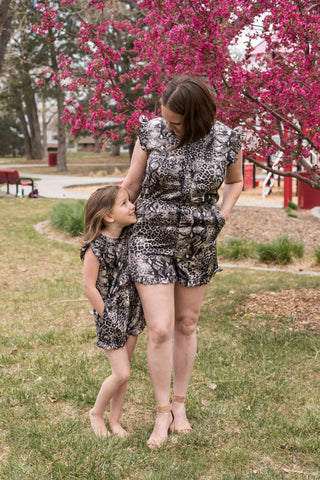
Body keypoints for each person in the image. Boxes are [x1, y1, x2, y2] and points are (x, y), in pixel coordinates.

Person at [122, 75, 243, 448]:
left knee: (187, 324)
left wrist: (222, 213)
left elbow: (235, 181)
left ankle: (180, 405)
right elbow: (131, 184)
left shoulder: (227, 139)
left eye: (176, 122)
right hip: (151, 237)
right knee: (160, 328)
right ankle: (160, 412)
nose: (169, 127)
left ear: (197, 117)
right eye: (166, 119)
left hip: (198, 240)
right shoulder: (151, 132)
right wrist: (109, 220)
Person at [80, 185, 145, 438]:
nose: (132, 206)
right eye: (124, 203)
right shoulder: (95, 247)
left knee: (124, 375)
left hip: (132, 312)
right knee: (122, 372)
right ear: (108, 216)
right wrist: (108, 316)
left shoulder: (129, 238)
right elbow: (89, 286)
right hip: (111, 316)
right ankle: (96, 413)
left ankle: (115, 421)